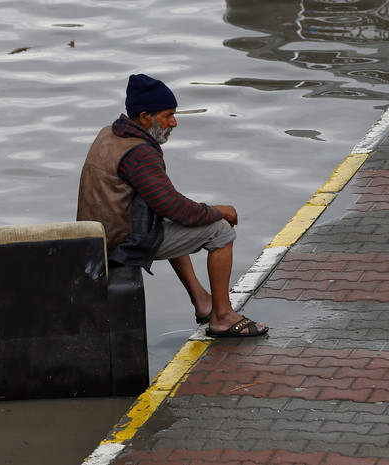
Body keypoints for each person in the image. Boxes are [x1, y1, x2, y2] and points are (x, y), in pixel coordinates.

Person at [76, 74, 267, 338]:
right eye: (168, 115)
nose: (173, 122)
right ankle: (222, 317)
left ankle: (203, 303)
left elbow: (165, 204)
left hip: (96, 238)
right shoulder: (139, 153)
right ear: (145, 118)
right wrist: (219, 210)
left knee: (173, 217)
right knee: (220, 229)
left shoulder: (109, 134)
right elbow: (177, 209)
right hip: (120, 245)